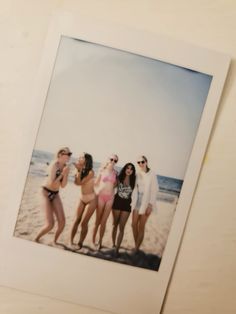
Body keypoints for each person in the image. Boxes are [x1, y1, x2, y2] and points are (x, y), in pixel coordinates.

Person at [35, 147, 72, 244]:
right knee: (50, 224)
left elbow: (63, 186)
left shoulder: (66, 167)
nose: (69, 156)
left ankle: (54, 241)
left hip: (55, 194)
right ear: (60, 154)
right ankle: (36, 239)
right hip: (45, 192)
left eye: (70, 154)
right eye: (67, 154)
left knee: (62, 222)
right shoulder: (54, 165)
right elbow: (51, 183)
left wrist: (66, 174)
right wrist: (62, 174)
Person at [131, 155, 158, 253]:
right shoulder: (137, 174)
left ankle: (136, 248)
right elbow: (134, 188)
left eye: (142, 162)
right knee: (133, 225)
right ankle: (136, 245)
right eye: (138, 162)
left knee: (141, 226)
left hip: (147, 202)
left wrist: (150, 205)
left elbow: (154, 190)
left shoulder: (152, 174)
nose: (140, 164)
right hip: (137, 201)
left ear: (146, 162)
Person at [70, 153, 97, 249]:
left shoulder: (91, 172)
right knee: (76, 220)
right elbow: (77, 183)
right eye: (80, 156)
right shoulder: (79, 169)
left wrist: (79, 170)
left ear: (86, 160)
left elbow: (82, 182)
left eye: (81, 157)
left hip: (91, 199)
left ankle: (80, 243)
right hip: (82, 198)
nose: (79, 157)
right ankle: (71, 242)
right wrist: (78, 170)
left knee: (84, 223)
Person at [93, 154, 118, 249]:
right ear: (108, 160)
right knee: (97, 220)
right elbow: (95, 183)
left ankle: (100, 242)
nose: (113, 161)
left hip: (110, 198)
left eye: (115, 161)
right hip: (100, 197)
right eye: (111, 159)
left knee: (104, 221)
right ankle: (93, 239)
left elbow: (115, 185)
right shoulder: (101, 170)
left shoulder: (116, 173)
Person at [112, 163, 136, 255]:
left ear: (133, 171)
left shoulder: (134, 181)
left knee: (121, 227)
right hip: (117, 202)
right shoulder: (119, 178)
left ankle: (117, 249)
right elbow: (112, 186)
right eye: (127, 168)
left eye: (131, 169)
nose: (129, 170)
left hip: (127, 205)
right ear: (125, 169)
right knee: (115, 224)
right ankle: (114, 244)